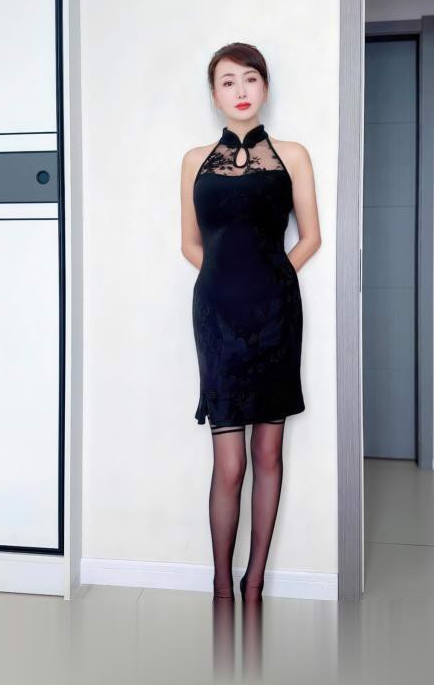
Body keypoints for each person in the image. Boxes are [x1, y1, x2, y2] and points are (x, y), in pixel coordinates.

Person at [180, 42, 321, 601]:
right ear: (214, 95)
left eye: (250, 79)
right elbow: (190, 244)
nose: (240, 91)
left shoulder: (293, 155)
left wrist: (270, 279)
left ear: (264, 86)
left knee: (268, 453)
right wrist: (226, 282)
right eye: (227, 81)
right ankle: (220, 582)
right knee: (230, 463)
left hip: (276, 317)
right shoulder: (194, 160)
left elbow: (310, 237)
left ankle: (254, 581)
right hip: (217, 317)